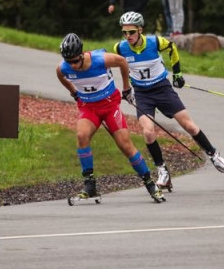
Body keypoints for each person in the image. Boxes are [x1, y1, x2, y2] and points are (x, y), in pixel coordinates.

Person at [113, 12, 224, 190]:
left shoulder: (155, 42)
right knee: (148, 132)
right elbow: (118, 65)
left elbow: (172, 48)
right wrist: (126, 89)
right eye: (125, 33)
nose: (128, 36)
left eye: (132, 32)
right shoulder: (120, 48)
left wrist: (177, 73)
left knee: (189, 126)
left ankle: (216, 158)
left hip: (162, 89)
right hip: (143, 95)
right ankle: (163, 172)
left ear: (140, 30)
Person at [56, 33, 166, 203]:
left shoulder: (100, 60)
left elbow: (122, 61)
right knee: (81, 135)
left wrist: (126, 88)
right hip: (89, 107)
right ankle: (90, 185)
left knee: (125, 145)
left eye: (76, 61)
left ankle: (150, 184)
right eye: (69, 62)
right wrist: (74, 93)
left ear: (82, 54)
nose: (73, 66)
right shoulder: (63, 68)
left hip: (109, 106)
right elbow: (61, 76)